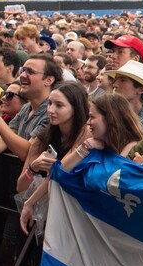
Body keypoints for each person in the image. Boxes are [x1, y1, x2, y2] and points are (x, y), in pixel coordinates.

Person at [20, 93, 143, 234]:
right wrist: (29, 203)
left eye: (92, 117)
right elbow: (59, 172)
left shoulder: (135, 149)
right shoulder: (93, 145)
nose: (88, 123)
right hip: (86, 229)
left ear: (110, 118)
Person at [0, 54, 60, 200]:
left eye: (30, 72)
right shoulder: (27, 107)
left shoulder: (52, 112)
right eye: (23, 70)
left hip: (37, 196)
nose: (22, 75)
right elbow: (4, 137)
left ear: (49, 80)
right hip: (16, 191)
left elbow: (27, 151)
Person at [15, 83, 89, 234]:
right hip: (43, 216)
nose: (50, 110)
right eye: (49, 103)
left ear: (76, 108)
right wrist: (33, 168)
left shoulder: (86, 134)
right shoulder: (42, 137)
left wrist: (30, 202)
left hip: (74, 217)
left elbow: (60, 173)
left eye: (59, 105)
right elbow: (21, 187)